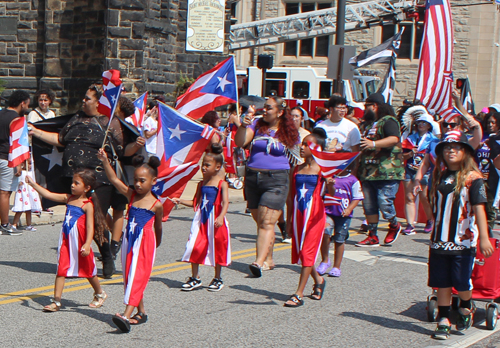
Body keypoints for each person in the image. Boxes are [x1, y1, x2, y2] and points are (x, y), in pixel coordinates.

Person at [29, 85, 144, 278]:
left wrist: (136, 145)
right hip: (75, 179)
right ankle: (76, 259)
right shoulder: (75, 118)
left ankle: (107, 257)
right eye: (84, 98)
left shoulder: (109, 123)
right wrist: (36, 132)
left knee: (97, 219)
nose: (83, 101)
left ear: (98, 103)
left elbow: (122, 151)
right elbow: (60, 139)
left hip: (100, 180)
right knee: (76, 218)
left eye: (87, 99)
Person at [428, 131, 494, 340]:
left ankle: (466, 304)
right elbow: (433, 213)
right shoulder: (438, 175)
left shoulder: (473, 179)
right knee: (442, 282)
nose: (451, 150)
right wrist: (421, 196)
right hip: (439, 240)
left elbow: (479, 209)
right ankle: (444, 320)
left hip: (463, 241)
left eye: (456, 147)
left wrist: (484, 237)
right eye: (447, 147)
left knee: (462, 281)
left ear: (465, 152)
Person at [97, 149, 163, 333]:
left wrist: (156, 243)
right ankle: (141, 313)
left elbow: (158, 227)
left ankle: (126, 315)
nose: (138, 184)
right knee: (130, 277)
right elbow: (114, 180)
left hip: (144, 244)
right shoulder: (132, 196)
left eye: (142, 181)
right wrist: (104, 161)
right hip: (129, 242)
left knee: (137, 277)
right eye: (136, 180)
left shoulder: (156, 205)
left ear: (153, 181)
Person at [234, 96, 300, 277]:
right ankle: (269, 259)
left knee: (267, 222)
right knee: (260, 221)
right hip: (253, 178)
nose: (265, 110)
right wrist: (243, 125)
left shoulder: (289, 131)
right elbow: (240, 143)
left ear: (279, 112)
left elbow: (299, 157)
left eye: (269, 108)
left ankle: (258, 262)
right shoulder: (256, 125)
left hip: (276, 180)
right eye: (264, 107)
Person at [26, 169, 108, 312]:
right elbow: (48, 194)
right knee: (61, 269)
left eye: (77, 183)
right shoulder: (68, 198)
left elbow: (90, 227)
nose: (72, 185)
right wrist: (33, 184)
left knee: (88, 271)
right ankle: (56, 301)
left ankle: (100, 293)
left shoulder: (87, 204)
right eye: (72, 182)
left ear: (87, 188)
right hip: (66, 241)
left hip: (81, 243)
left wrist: (88, 244)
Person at [174, 144, 231, 292]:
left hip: (216, 221)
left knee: (218, 248)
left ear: (218, 167)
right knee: (194, 246)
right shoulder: (201, 184)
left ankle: (217, 278)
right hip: (202, 220)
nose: (203, 167)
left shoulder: (221, 184)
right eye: (202, 165)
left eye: (207, 165)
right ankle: (195, 277)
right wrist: (180, 201)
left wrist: (220, 216)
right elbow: (195, 203)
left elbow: (225, 203)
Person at [284, 130, 331, 307]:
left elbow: (331, 194)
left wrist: (331, 184)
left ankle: (299, 293)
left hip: (315, 216)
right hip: (298, 216)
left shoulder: (324, 170)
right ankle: (318, 280)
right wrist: (288, 221)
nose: (302, 147)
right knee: (303, 254)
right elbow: (290, 197)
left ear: (317, 148)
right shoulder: (296, 169)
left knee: (307, 253)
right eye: (302, 144)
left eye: (306, 144)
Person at [355, 92, 404, 247]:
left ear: (374, 106)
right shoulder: (367, 125)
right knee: (369, 205)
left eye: (366, 106)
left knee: (385, 201)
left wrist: (374, 144)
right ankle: (372, 235)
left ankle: (394, 225)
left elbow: (394, 138)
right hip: (368, 171)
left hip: (387, 171)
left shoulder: (388, 121)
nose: (364, 109)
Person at [316, 159, 363, 277]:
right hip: (329, 212)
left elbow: (357, 197)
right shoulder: (330, 178)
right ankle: (325, 260)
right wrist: (330, 185)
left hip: (343, 215)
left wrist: (349, 209)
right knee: (325, 233)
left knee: (339, 239)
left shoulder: (353, 180)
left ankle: (337, 267)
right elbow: (328, 193)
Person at [0, 90, 30, 236]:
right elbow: (16, 144)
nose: (27, 108)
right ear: (22, 103)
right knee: (4, 192)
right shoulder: (16, 119)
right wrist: (19, 163)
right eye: (27, 105)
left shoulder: (1, 113)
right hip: (7, 158)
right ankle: (5, 224)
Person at [401, 114, 438, 235]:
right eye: (420, 122)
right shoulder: (410, 138)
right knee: (409, 197)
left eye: (424, 123)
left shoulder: (433, 140)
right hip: (409, 170)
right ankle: (410, 224)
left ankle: (430, 220)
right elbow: (401, 156)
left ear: (429, 126)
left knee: (424, 198)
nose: (421, 125)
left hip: (424, 173)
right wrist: (410, 153)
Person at [11, 160, 42, 232]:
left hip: (29, 193)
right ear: (23, 164)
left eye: (31, 164)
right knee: (19, 210)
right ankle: (14, 224)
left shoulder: (31, 173)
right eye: (29, 164)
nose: (30, 166)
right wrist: (19, 182)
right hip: (22, 193)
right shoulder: (21, 172)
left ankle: (29, 225)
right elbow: (17, 181)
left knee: (29, 210)